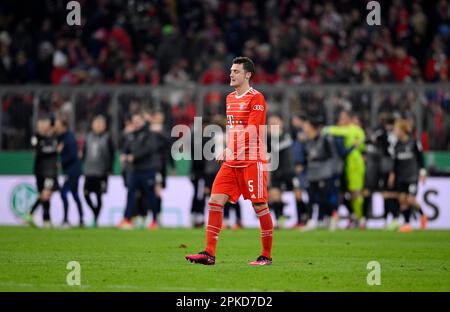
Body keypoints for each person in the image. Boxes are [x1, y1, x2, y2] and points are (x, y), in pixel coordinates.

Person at [185, 56, 273, 266]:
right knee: (215, 201)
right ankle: (209, 253)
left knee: (260, 206)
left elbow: (252, 131)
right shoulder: (230, 98)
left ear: (247, 74)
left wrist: (229, 148)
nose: (231, 74)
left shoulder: (256, 98)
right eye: (231, 71)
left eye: (236, 71)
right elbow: (235, 130)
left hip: (252, 160)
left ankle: (266, 256)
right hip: (232, 161)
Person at [323, 110, 366, 228]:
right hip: (343, 166)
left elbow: (361, 145)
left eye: (343, 118)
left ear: (348, 119)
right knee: (342, 193)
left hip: (354, 165)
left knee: (355, 192)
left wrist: (327, 129)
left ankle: (360, 217)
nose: (340, 121)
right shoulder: (343, 130)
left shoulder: (355, 130)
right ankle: (352, 217)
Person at [300, 116, 341, 231]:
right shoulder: (306, 141)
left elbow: (333, 156)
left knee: (325, 198)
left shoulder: (325, 139)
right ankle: (311, 220)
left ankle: (332, 216)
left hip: (324, 172)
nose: (304, 128)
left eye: (306, 125)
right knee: (311, 197)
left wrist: (334, 171)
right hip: (312, 172)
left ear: (312, 127)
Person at [121, 112, 159, 228]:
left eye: (138, 121)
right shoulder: (131, 135)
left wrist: (134, 156)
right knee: (130, 194)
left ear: (143, 121)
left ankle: (154, 220)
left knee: (150, 196)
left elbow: (149, 149)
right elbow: (125, 148)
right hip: (134, 170)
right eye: (134, 121)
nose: (136, 123)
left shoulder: (149, 134)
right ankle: (127, 219)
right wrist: (124, 155)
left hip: (147, 170)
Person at [388, 119, 427, 232]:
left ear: (402, 130)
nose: (395, 131)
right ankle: (407, 224)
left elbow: (421, 159)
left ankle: (423, 216)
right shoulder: (397, 145)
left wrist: (423, 173)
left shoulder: (414, 143)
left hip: (412, 176)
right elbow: (395, 162)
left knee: (410, 200)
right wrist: (392, 174)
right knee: (402, 200)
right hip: (401, 177)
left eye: (396, 129)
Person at [25, 117, 59, 228]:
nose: (44, 127)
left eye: (45, 124)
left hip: (50, 171)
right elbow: (38, 150)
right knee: (44, 194)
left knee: (46, 194)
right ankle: (35, 216)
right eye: (41, 124)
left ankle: (45, 220)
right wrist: (54, 150)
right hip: (40, 171)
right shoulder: (36, 137)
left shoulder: (53, 137)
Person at [82, 115, 115, 227]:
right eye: (96, 124)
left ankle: (95, 218)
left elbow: (112, 155)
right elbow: (84, 153)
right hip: (89, 171)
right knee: (85, 194)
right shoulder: (88, 137)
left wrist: (109, 169)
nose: (98, 126)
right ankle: (95, 212)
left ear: (104, 126)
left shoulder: (107, 138)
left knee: (98, 195)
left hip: (101, 172)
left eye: (101, 124)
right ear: (92, 125)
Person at [266, 114, 297, 229]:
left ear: (281, 123)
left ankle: (304, 219)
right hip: (276, 171)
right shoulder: (268, 140)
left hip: (291, 171)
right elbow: (267, 158)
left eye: (275, 122)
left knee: (298, 194)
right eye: (271, 123)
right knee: (274, 196)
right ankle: (280, 219)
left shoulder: (290, 134)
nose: (273, 124)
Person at [54, 119, 84, 227]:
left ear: (63, 126)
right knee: (75, 195)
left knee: (64, 192)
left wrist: (61, 163)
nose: (55, 127)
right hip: (71, 170)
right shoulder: (62, 138)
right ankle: (81, 219)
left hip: (73, 171)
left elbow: (73, 155)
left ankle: (66, 220)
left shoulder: (69, 138)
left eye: (57, 125)